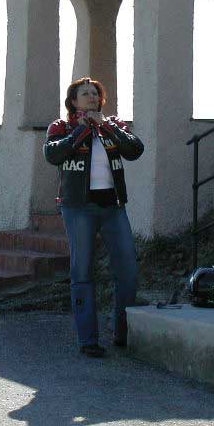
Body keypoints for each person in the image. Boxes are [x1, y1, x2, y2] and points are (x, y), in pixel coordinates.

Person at [43, 77, 144, 358]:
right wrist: (82, 130)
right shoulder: (61, 127)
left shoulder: (113, 125)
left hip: (113, 207)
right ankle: (88, 340)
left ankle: (122, 333)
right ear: (73, 101)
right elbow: (53, 154)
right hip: (79, 208)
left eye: (95, 93)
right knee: (82, 272)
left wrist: (106, 127)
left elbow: (135, 150)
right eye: (85, 93)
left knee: (128, 271)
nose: (92, 97)